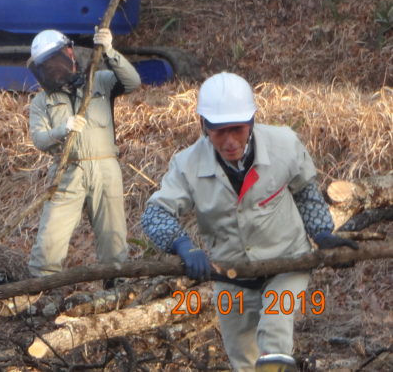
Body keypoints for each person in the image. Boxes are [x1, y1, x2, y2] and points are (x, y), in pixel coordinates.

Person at [140, 72, 358, 372]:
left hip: (287, 262)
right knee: (243, 358)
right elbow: (155, 212)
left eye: (237, 130)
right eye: (219, 132)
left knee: (274, 329)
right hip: (230, 273)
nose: (230, 142)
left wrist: (322, 233)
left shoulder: (284, 145)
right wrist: (183, 246)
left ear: (252, 121)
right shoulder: (187, 165)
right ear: (204, 126)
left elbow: (306, 193)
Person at [27, 25, 141, 280]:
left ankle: (116, 293)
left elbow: (132, 82)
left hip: (105, 169)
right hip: (68, 171)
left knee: (113, 241)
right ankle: (40, 296)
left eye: (55, 61)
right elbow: (39, 140)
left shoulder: (99, 81)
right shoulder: (42, 101)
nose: (53, 69)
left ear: (69, 53)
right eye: (47, 66)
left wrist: (110, 51)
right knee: (49, 241)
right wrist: (61, 131)